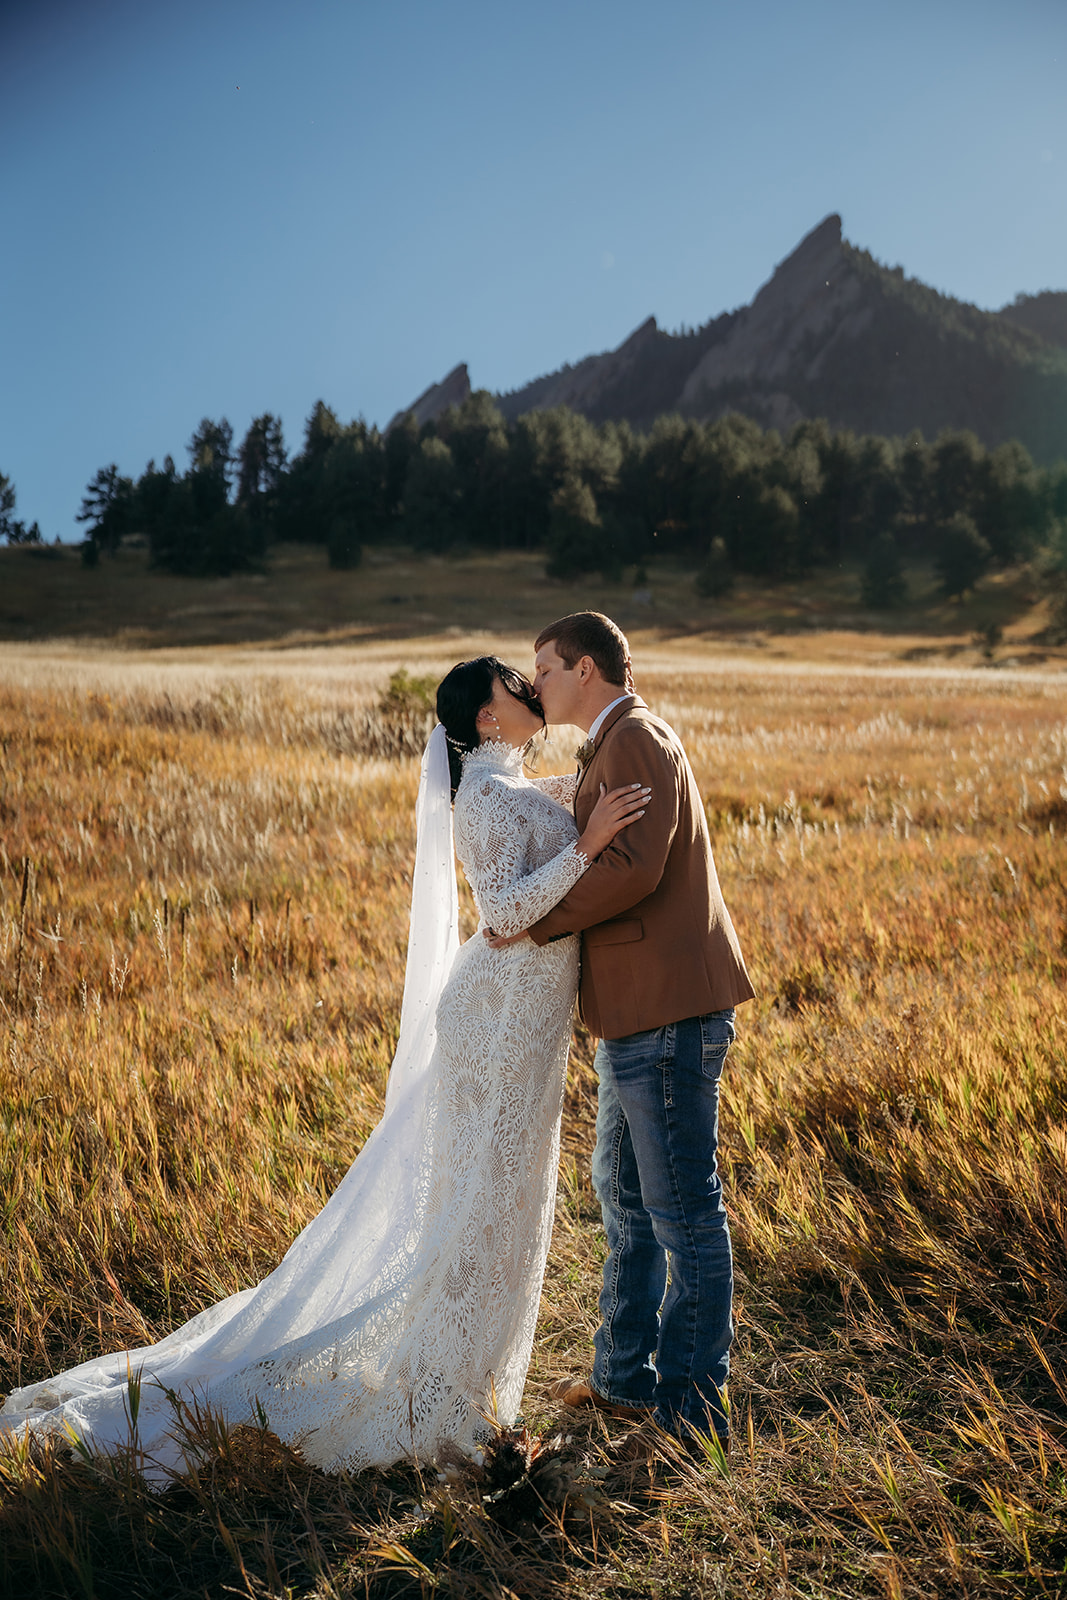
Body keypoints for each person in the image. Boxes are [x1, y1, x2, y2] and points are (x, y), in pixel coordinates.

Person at [0, 657, 648, 1481]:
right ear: (486, 718)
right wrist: (588, 845)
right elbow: (503, 914)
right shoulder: (482, 798)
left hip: (528, 1029)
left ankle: (469, 1379)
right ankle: (441, 1385)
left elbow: (569, 799)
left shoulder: (515, 785)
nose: (529, 692)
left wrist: (602, 765)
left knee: (506, 1203)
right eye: (515, 687)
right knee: (479, 1201)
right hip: (494, 1022)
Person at [488, 613, 753, 1451]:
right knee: (627, 1201)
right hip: (636, 1013)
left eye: (545, 669)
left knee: (681, 1213)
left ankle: (688, 1409)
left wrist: (530, 922)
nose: (536, 685)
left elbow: (633, 867)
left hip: (667, 1010)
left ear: (587, 669)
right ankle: (620, 1382)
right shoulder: (611, 743)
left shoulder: (635, 738)